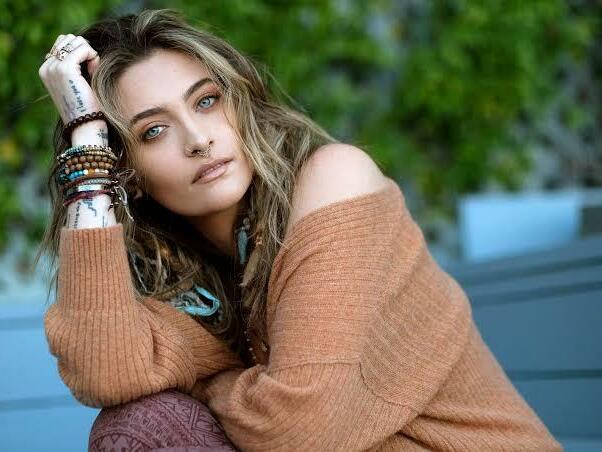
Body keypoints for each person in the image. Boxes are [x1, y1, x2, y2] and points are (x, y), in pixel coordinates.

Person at [37, 8, 562, 452]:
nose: (198, 139)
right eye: (154, 131)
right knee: (135, 424)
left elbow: (299, 429)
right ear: (128, 173)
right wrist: (87, 143)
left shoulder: (336, 179)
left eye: (206, 101)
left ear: (239, 102)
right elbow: (104, 370)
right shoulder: (189, 280)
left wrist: (212, 382)